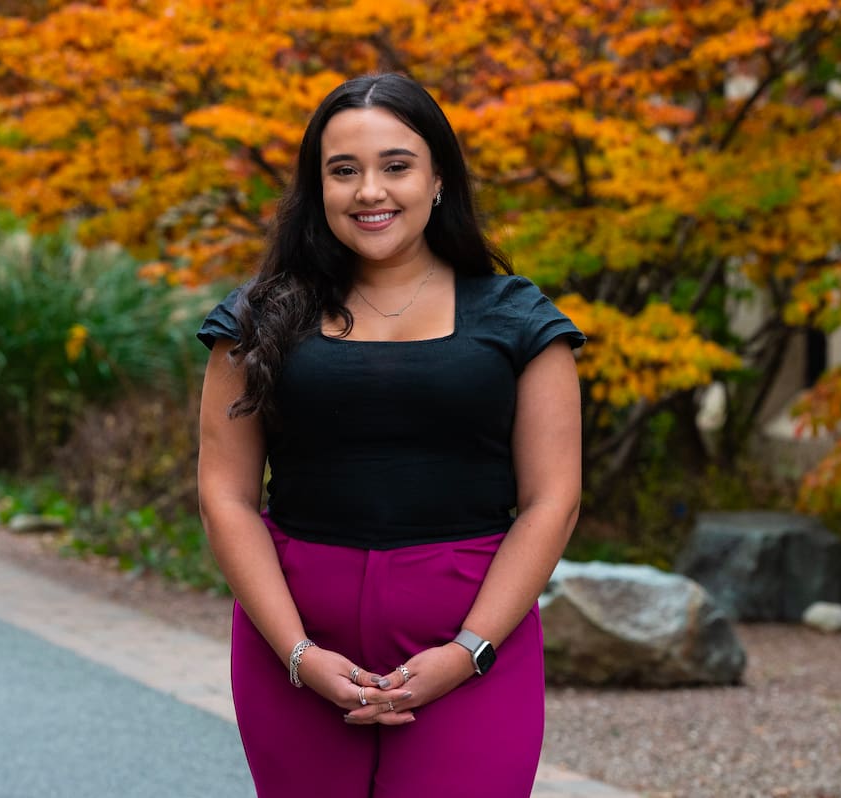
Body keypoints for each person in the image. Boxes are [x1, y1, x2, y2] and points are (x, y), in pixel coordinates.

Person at [196, 73, 585, 798]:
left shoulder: (519, 321)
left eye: (396, 166)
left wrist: (468, 652)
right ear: (319, 190)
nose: (370, 190)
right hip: (296, 644)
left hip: (471, 644)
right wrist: (299, 653)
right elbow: (224, 495)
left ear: (438, 178)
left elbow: (552, 501)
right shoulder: (257, 320)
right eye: (344, 171)